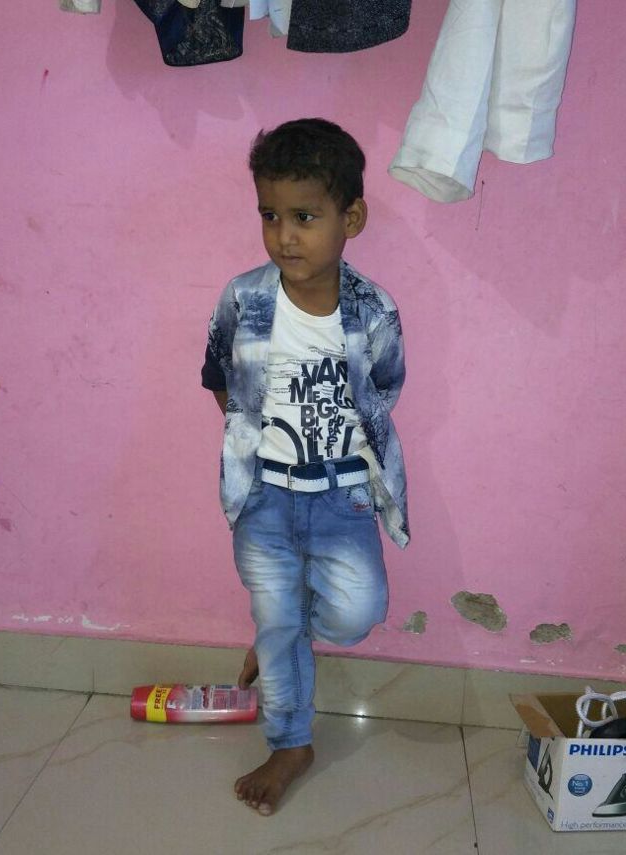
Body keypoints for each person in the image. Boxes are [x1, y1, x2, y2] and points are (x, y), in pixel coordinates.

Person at [201, 118, 409, 815]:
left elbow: (385, 389)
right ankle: (290, 741)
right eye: (270, 215)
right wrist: (251, 439)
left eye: (305, 217)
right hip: (263, 496)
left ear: (352, 218)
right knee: (279, 615)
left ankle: (280, 634)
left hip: (342, 497)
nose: (285, 235)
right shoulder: (243, 298)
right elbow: (220, 377)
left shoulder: (374, 310)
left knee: (357, 612)